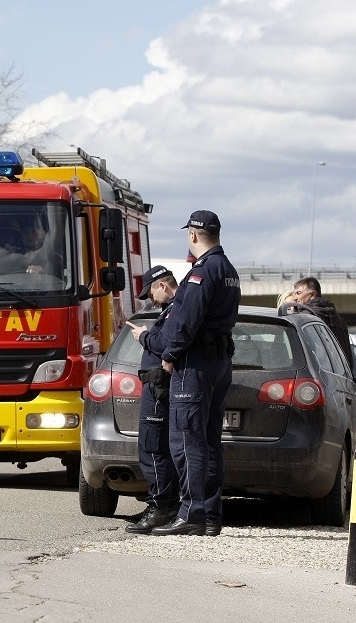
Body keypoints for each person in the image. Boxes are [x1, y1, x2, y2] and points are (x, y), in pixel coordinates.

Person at [152, 210, 240, 537]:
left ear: (192, 235)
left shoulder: (203, 271)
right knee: (210, 441)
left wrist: (169, 355)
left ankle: (191, 512)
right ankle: (210, 514)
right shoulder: (228, 269)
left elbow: (186, 321)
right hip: (219, 361)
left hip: (195, 363)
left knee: (187, 440)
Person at [124, 265, 180, 534]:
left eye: (151, 293)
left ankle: (161, 507)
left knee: (154, 448)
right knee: (156, 447)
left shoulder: (175, 310)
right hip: (156, 384)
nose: (150, 300)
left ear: (163, 286)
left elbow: (166, 345)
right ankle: (163, 504)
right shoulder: (172, 311)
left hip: (160, 386)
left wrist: (144, 336)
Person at [292, 276, 352, 364]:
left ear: (312, 294)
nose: (295, 298)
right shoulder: (340, 321)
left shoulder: (306, 317)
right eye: (294, 294)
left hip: (318, 374)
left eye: (298, 293)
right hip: (342, 374)